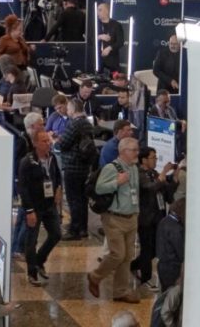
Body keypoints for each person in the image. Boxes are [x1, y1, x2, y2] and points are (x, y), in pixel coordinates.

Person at [87, 137, 141, 303]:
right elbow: (99, 188)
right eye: (134, 150)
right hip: (114, 218)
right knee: (118, 254)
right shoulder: (112, 168)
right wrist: (117, 182)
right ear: (124, 151)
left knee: (127, 257)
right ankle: (95, 276)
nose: (137, 153)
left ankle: (120, 291)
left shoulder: (134, 168)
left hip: (131, 217)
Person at [18, 128, 63, 286]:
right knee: (31, 240)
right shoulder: (27, 162)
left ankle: (39, 260)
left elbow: (57, 176)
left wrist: (58, 189)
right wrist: (29, 210)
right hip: (34, 206)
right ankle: (31, 272)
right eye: (44, 141)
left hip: (49, 205)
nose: (48, 143)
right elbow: (22, 188)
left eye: (48, 140)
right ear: (35, 143)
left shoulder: (52, 158)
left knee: (56, 234)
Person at [131, 147, 172, 291]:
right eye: (153, 158)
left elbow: (165, 191)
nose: (155, 160)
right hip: (145, 218)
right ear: (144, 160)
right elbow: (150, 188)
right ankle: (146, 278)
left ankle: (133, 265)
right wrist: (163, 175)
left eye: (156, 157)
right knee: (147, 248)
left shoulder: (154, 173)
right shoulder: (138, 174)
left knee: (155, 249)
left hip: (158, 217)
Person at [55, 98, 94, 240]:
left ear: (73, 109)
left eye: (69, 108)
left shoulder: (74, 125)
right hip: (84, 167)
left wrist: (57, 141)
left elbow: (63, 144)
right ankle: (83, 228)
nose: (67, 111)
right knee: (82, 199)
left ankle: (75, 229)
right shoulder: (87, 123)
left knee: (73, 199)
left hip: (73, 166)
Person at [156, 198, 185, 292]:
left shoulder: (164, 221)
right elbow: (180, 251)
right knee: (171, 295)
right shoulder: (176, 228)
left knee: (165, 293)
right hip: (173, 267)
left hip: (162, 264)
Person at [96, 3, 124, 73]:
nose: (97, 12)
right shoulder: (95, 25)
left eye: (100, 10)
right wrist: (99, 37)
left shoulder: (116, 25)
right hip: (97, 60)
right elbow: (89, 39)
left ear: (107, 11)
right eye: (97, 10)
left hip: (112, 61)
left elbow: (120, 42)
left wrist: (109, 48)